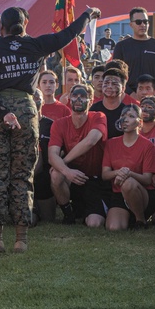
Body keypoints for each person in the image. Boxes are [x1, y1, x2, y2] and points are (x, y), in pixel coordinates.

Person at [0, 4, 100, 252]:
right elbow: (68, 34)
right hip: (26, 110)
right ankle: (21, 239)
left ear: (1, 28)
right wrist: (86, 15)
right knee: (23, 176)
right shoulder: (35, 45)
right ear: (25, 26)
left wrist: (3, 112)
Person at [48, 84, 107, 227]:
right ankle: (68, 214)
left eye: (83, 96)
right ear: (69, 99)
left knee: (94, 223)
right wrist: (66, 171)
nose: (79, 99)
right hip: (71, 177)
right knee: (56, 173)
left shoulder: (98, 116)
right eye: (75, 95)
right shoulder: (59, 123)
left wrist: (65, 162)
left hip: (94, 179)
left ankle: (86, 211)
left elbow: (90, 141)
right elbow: (52, 155)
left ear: (91, 100)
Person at [101, 104, 155, 230]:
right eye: (123, 116)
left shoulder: (147, 145)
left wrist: (128, 173)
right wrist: (119, 172)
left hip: (143, 194)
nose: (125, 119)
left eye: (131, 116)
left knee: (128, 183)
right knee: (113, 227)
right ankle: (129, 218)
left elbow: (148, 179)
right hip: (119, 194)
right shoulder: (111, 143)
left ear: (139, 123)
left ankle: (141, 220)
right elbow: (105, 175)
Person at [111, 7, 155, 93]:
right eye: (138, 22)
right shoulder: (121, 46)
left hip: (152, 95)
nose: (143, 25)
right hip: (127, 95)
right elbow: (116, 74)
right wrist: (130, 93)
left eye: (145, 22)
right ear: (131, 25)